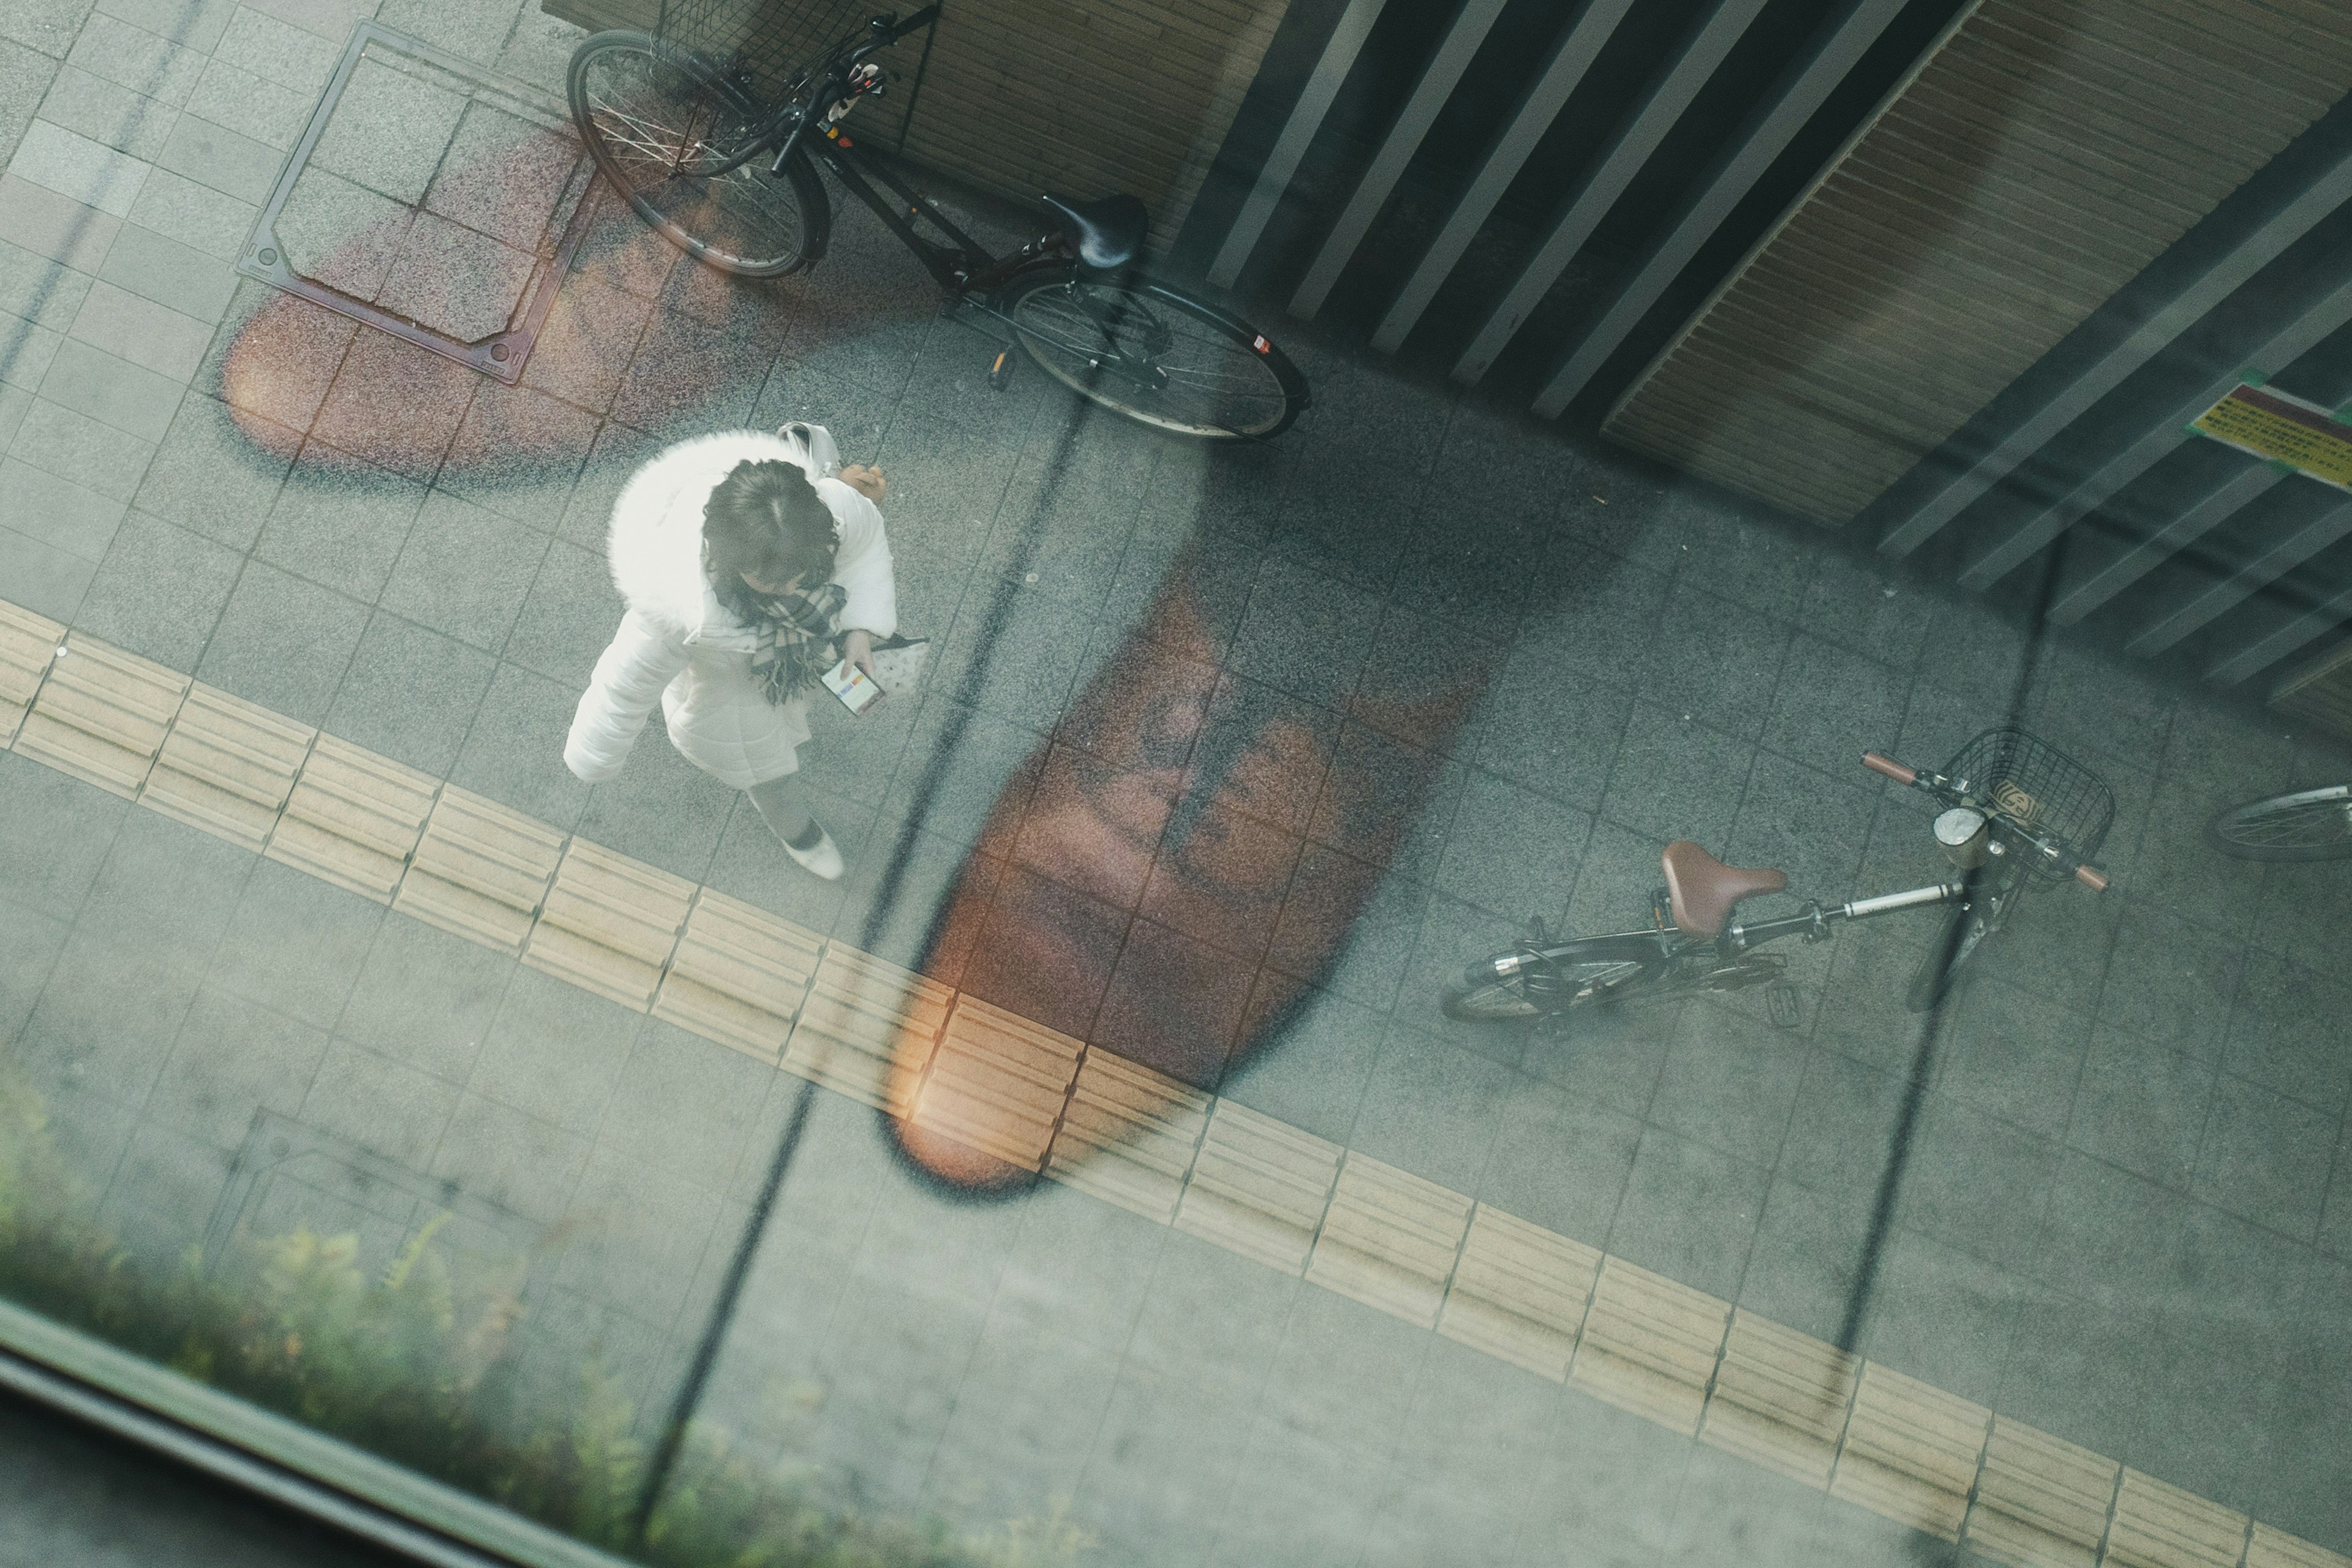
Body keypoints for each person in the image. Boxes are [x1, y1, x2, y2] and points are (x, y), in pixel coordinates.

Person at [564, 426, 894, 880]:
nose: (793, 588)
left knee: (793, 730)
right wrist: (594, 756)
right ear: (727, 555)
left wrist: (859, 628)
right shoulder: (677, 608)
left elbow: (865, 545)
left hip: (797, 658)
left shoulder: (825, 515)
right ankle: (801, 835)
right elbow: (624, 684)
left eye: (801, 572)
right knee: (770, 779)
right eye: (773, 581)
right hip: (729, 709)